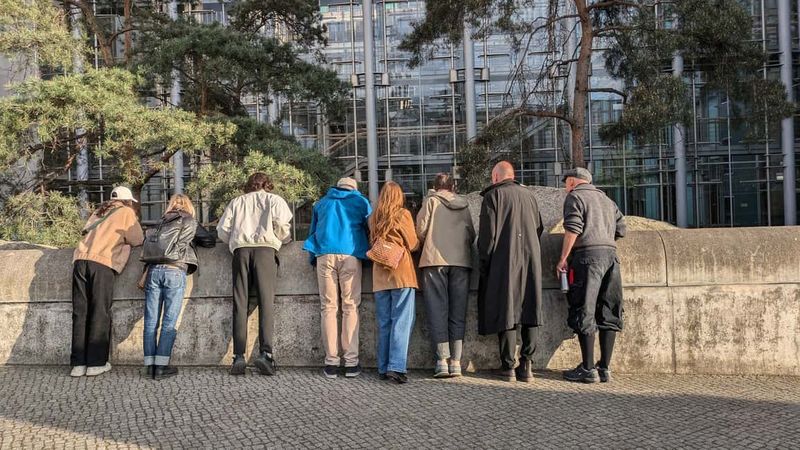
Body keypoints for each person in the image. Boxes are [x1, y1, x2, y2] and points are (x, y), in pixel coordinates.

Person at [217, 172, 293, 376]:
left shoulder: (236, 202)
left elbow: (222, 231)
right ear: (267, 184)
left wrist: (235, 242)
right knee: (266, 303)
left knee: (239, 303)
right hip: (266, 250)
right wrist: (280, 240)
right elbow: (283, 229)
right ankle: (265, 354)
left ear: (248, 185)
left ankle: (238, 356)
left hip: (241, 250)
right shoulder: (275, 200)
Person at [556, 167, 626, 383]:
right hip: (611, 257)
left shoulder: (575, 197)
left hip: (587, 257)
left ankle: (587, 369)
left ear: (573, 182)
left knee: (584, 308)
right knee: (609, 309)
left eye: (566, 181)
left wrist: (563, 258)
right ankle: (604, 367)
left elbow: (573, 229)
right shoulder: (607, 200)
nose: (565, 186)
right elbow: (621, 229)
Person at [477, 161, 544, 383]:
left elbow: (487, 239)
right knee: (530, 308)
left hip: (504, 262)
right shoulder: (530, 196)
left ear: (496, 177)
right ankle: (527, 364)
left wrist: (485, 263)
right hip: (530, 259)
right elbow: (539, 228)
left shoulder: (492, 197)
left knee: (507, 310)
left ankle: (508, 366)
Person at [71, 186, 144, 377]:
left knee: (80, 312)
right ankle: (96, 363)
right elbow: (137, 239)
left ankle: (78, 364)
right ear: (127, 201)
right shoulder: (126, 211)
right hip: (101, 263)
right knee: (100, 312)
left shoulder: (98, 211)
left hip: (80, 261)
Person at [141, 194, 216, 380]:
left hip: (153, 271)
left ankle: (149, 366)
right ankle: (161, 367)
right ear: (188, 206)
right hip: (175, 270)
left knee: (151, 322)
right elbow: (209, 241)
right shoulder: (189, 220)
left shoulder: (159, 222)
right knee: (169, 322)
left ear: (170, 205)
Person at [303, 177, 372, 379]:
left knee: (328, 307)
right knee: (350, 306)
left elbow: (313, 232)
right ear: (354, 189)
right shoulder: (361, 202)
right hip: (350, 254)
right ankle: (351, 363)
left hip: (324, 254)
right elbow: (371, 229)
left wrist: (312, 259)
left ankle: (331, 363)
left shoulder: (322, 202)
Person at [416, 173, 475, 378]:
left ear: (435, 186)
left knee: (437, 310)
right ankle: (457, 362)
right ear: (453, 187)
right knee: (458, 312)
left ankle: (442, 361)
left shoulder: (430, 201)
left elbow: (420, 230)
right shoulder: (464, 205)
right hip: (461, 261)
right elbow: (471, 234)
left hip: (434, 262)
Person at [369, 181, 419, 384]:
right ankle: (396, 367)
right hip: (401, 273)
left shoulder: (373, 218)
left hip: (379, 276)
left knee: (384, 323)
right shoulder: (403, 214)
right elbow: (413, 244)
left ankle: (383, 367)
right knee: (402, 321)